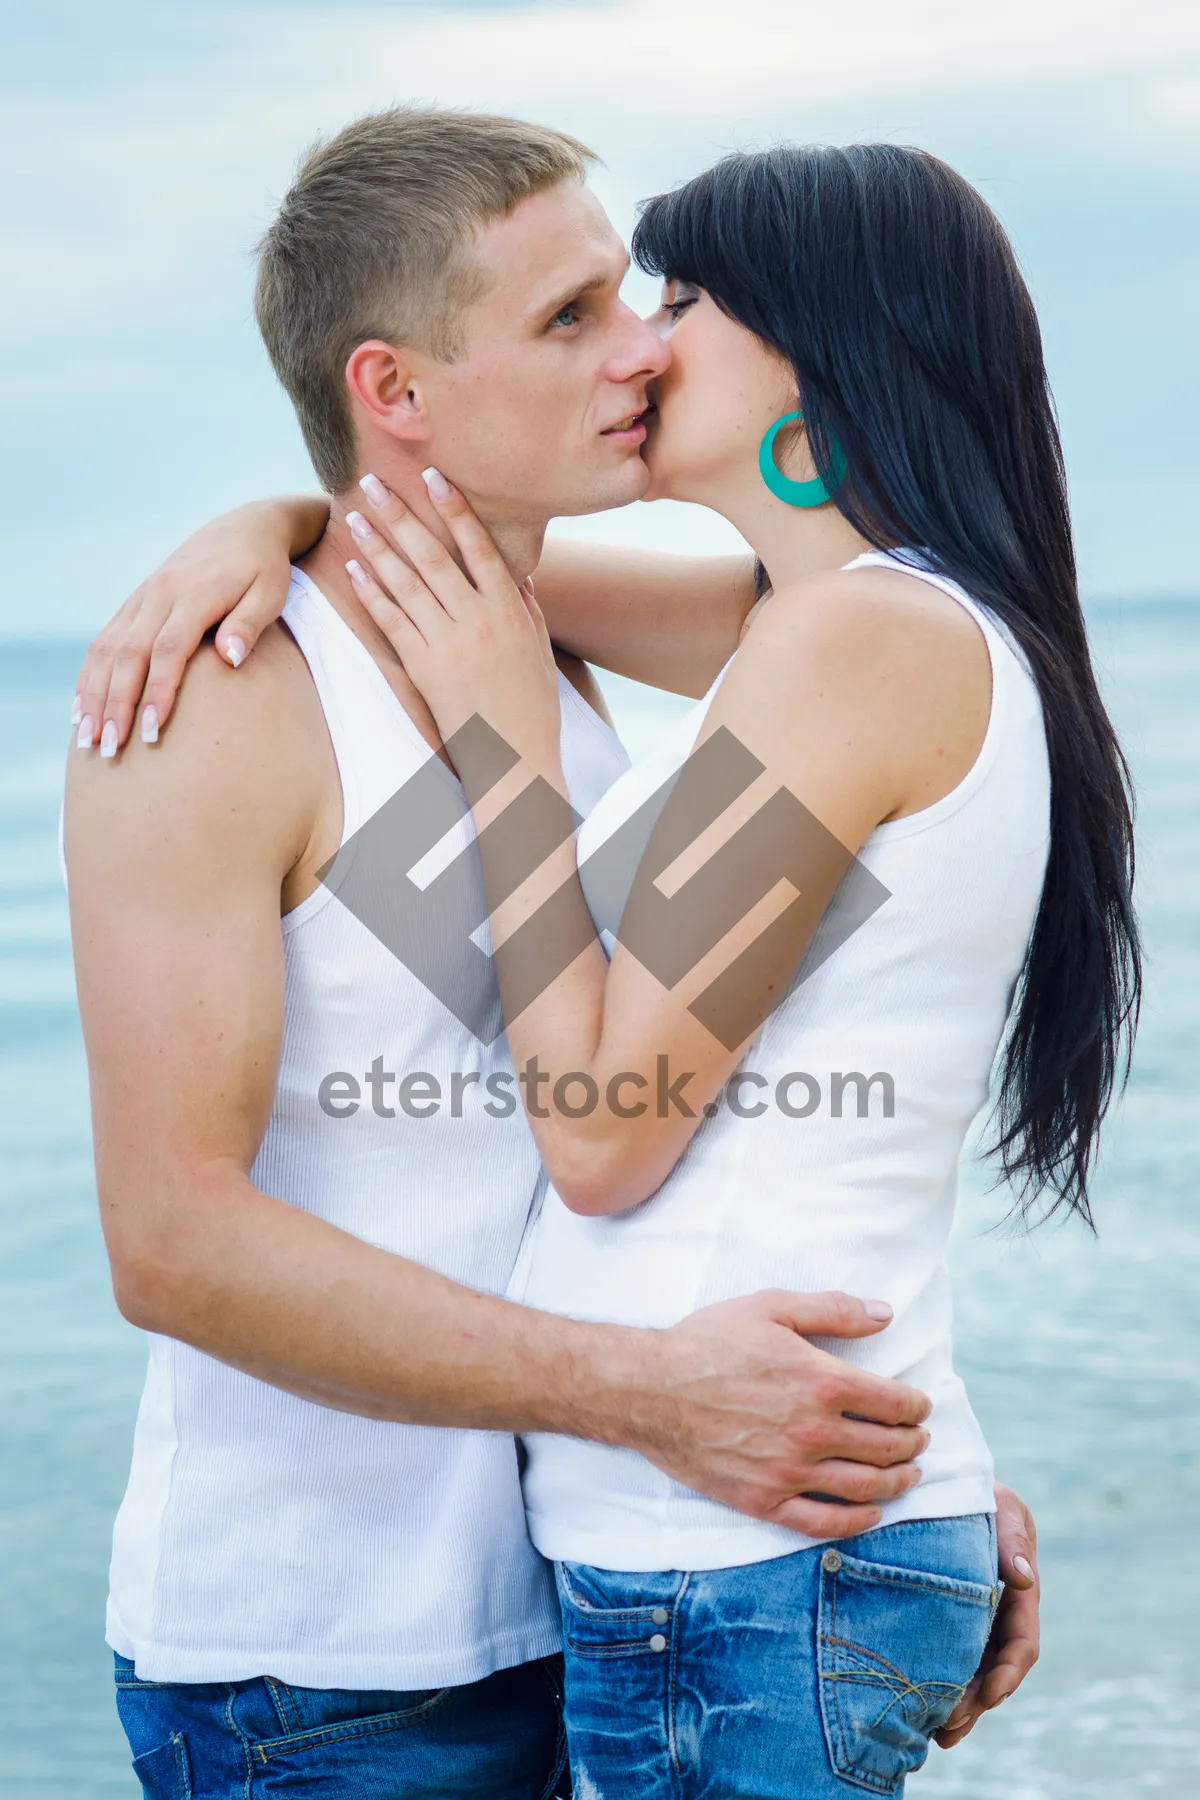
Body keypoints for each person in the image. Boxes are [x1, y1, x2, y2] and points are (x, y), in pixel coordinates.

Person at [68, 114, 1047, 1790]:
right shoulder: (217, 700)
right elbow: (168, 1241)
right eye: (575, 316)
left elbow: (700, 1097)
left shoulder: (565, 663)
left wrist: (905, 1475)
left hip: (606, 1585)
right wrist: (653, 1397)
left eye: (651, 303)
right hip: (329, 1670)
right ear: (395, 389)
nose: (642, 352)